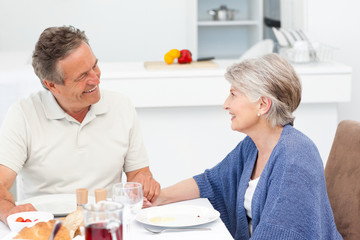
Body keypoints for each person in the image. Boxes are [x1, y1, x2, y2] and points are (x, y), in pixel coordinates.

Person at [150, 54, 342, 239]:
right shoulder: (252, 146)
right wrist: (158, 198)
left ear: (262, 104)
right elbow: (212, 182)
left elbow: (279, 233)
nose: (226, 104)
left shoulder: (295, 156)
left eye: (233, 95)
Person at [0, 26, 160, 224]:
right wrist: (9, 212)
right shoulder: (23, 114)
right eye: (82, 76)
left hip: (104, 222)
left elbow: (139, 173)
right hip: (46, 226)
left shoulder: (121, 106)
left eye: (95, 66)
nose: (95, 78)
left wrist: (143, 182)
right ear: (51, 85)